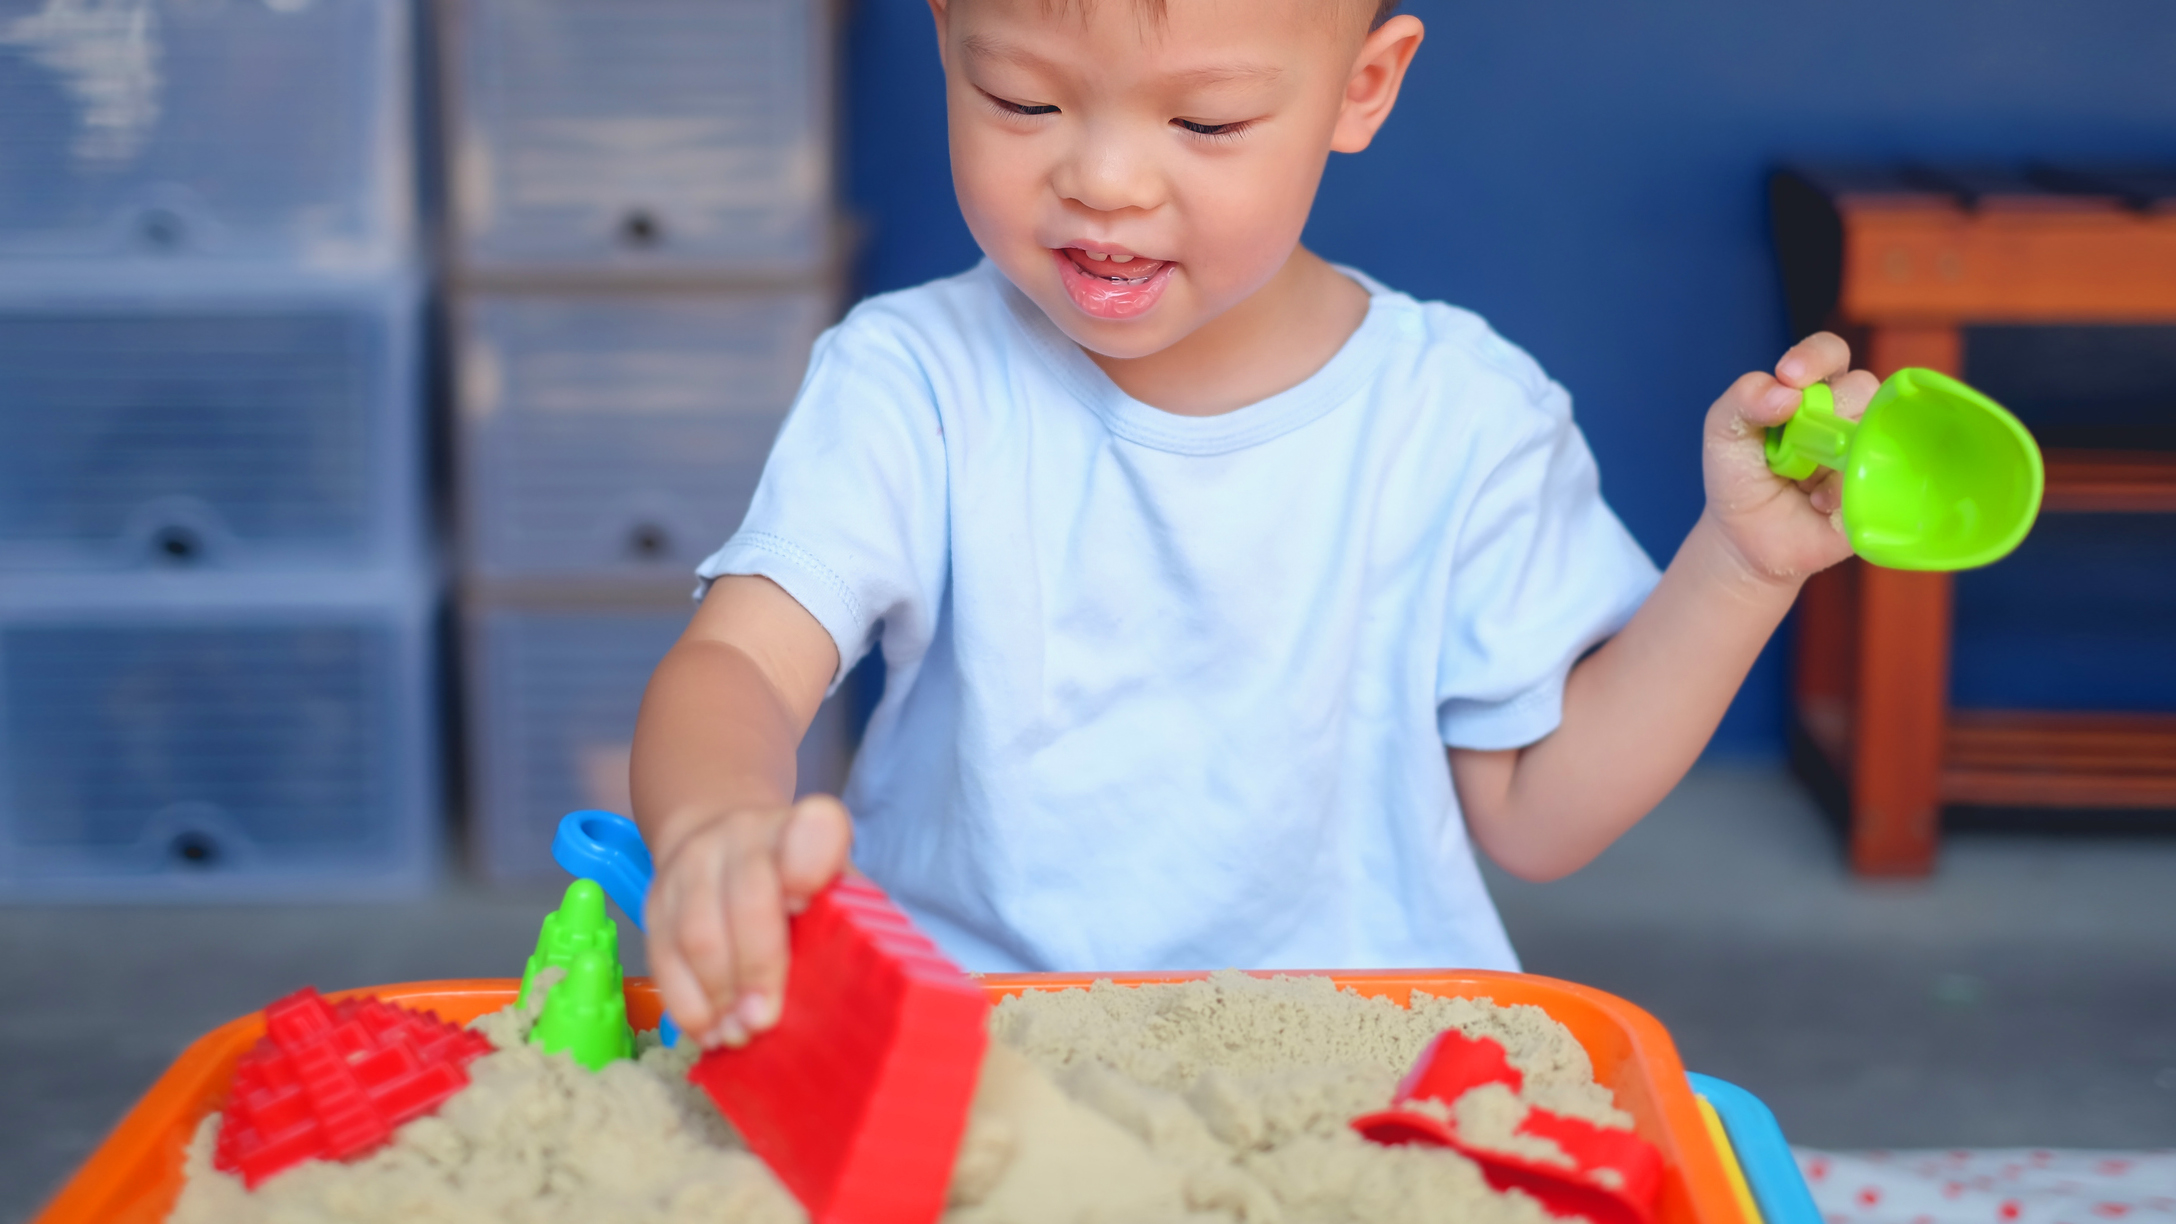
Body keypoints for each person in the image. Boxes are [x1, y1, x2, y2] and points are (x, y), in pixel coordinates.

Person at [629, 0, 1875, 1050]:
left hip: (1352, 1058)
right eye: (1021, 100)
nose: (1103, 180)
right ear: (949, 37)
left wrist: (1740, 569)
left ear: (1362, 87)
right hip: (970, 1041)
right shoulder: (914, 379)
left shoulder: (1457, 415)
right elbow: (740, 659)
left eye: (1204, 121)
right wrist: (713, 828)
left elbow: (1539, 816)